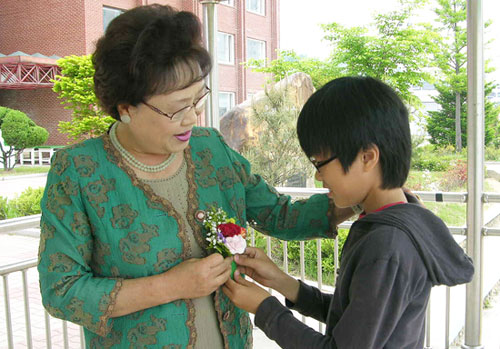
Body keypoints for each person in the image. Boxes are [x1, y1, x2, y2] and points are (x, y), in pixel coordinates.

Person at [37, 4, 346, 348]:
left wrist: (357, 199)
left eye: (198, 99)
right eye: (177, 108)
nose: (192, 118)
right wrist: (170, 285)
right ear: (126, 108)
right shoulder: (79, 171)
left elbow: (277, 213)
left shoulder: (209, 148)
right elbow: (61, 291)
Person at [223, 76, 475, 348]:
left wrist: (265, 309)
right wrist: (283, 283)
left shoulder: (387, 245)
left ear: (367, 157)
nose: (319, 177)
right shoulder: (391, 222)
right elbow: (356, 318)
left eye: (320, 163)